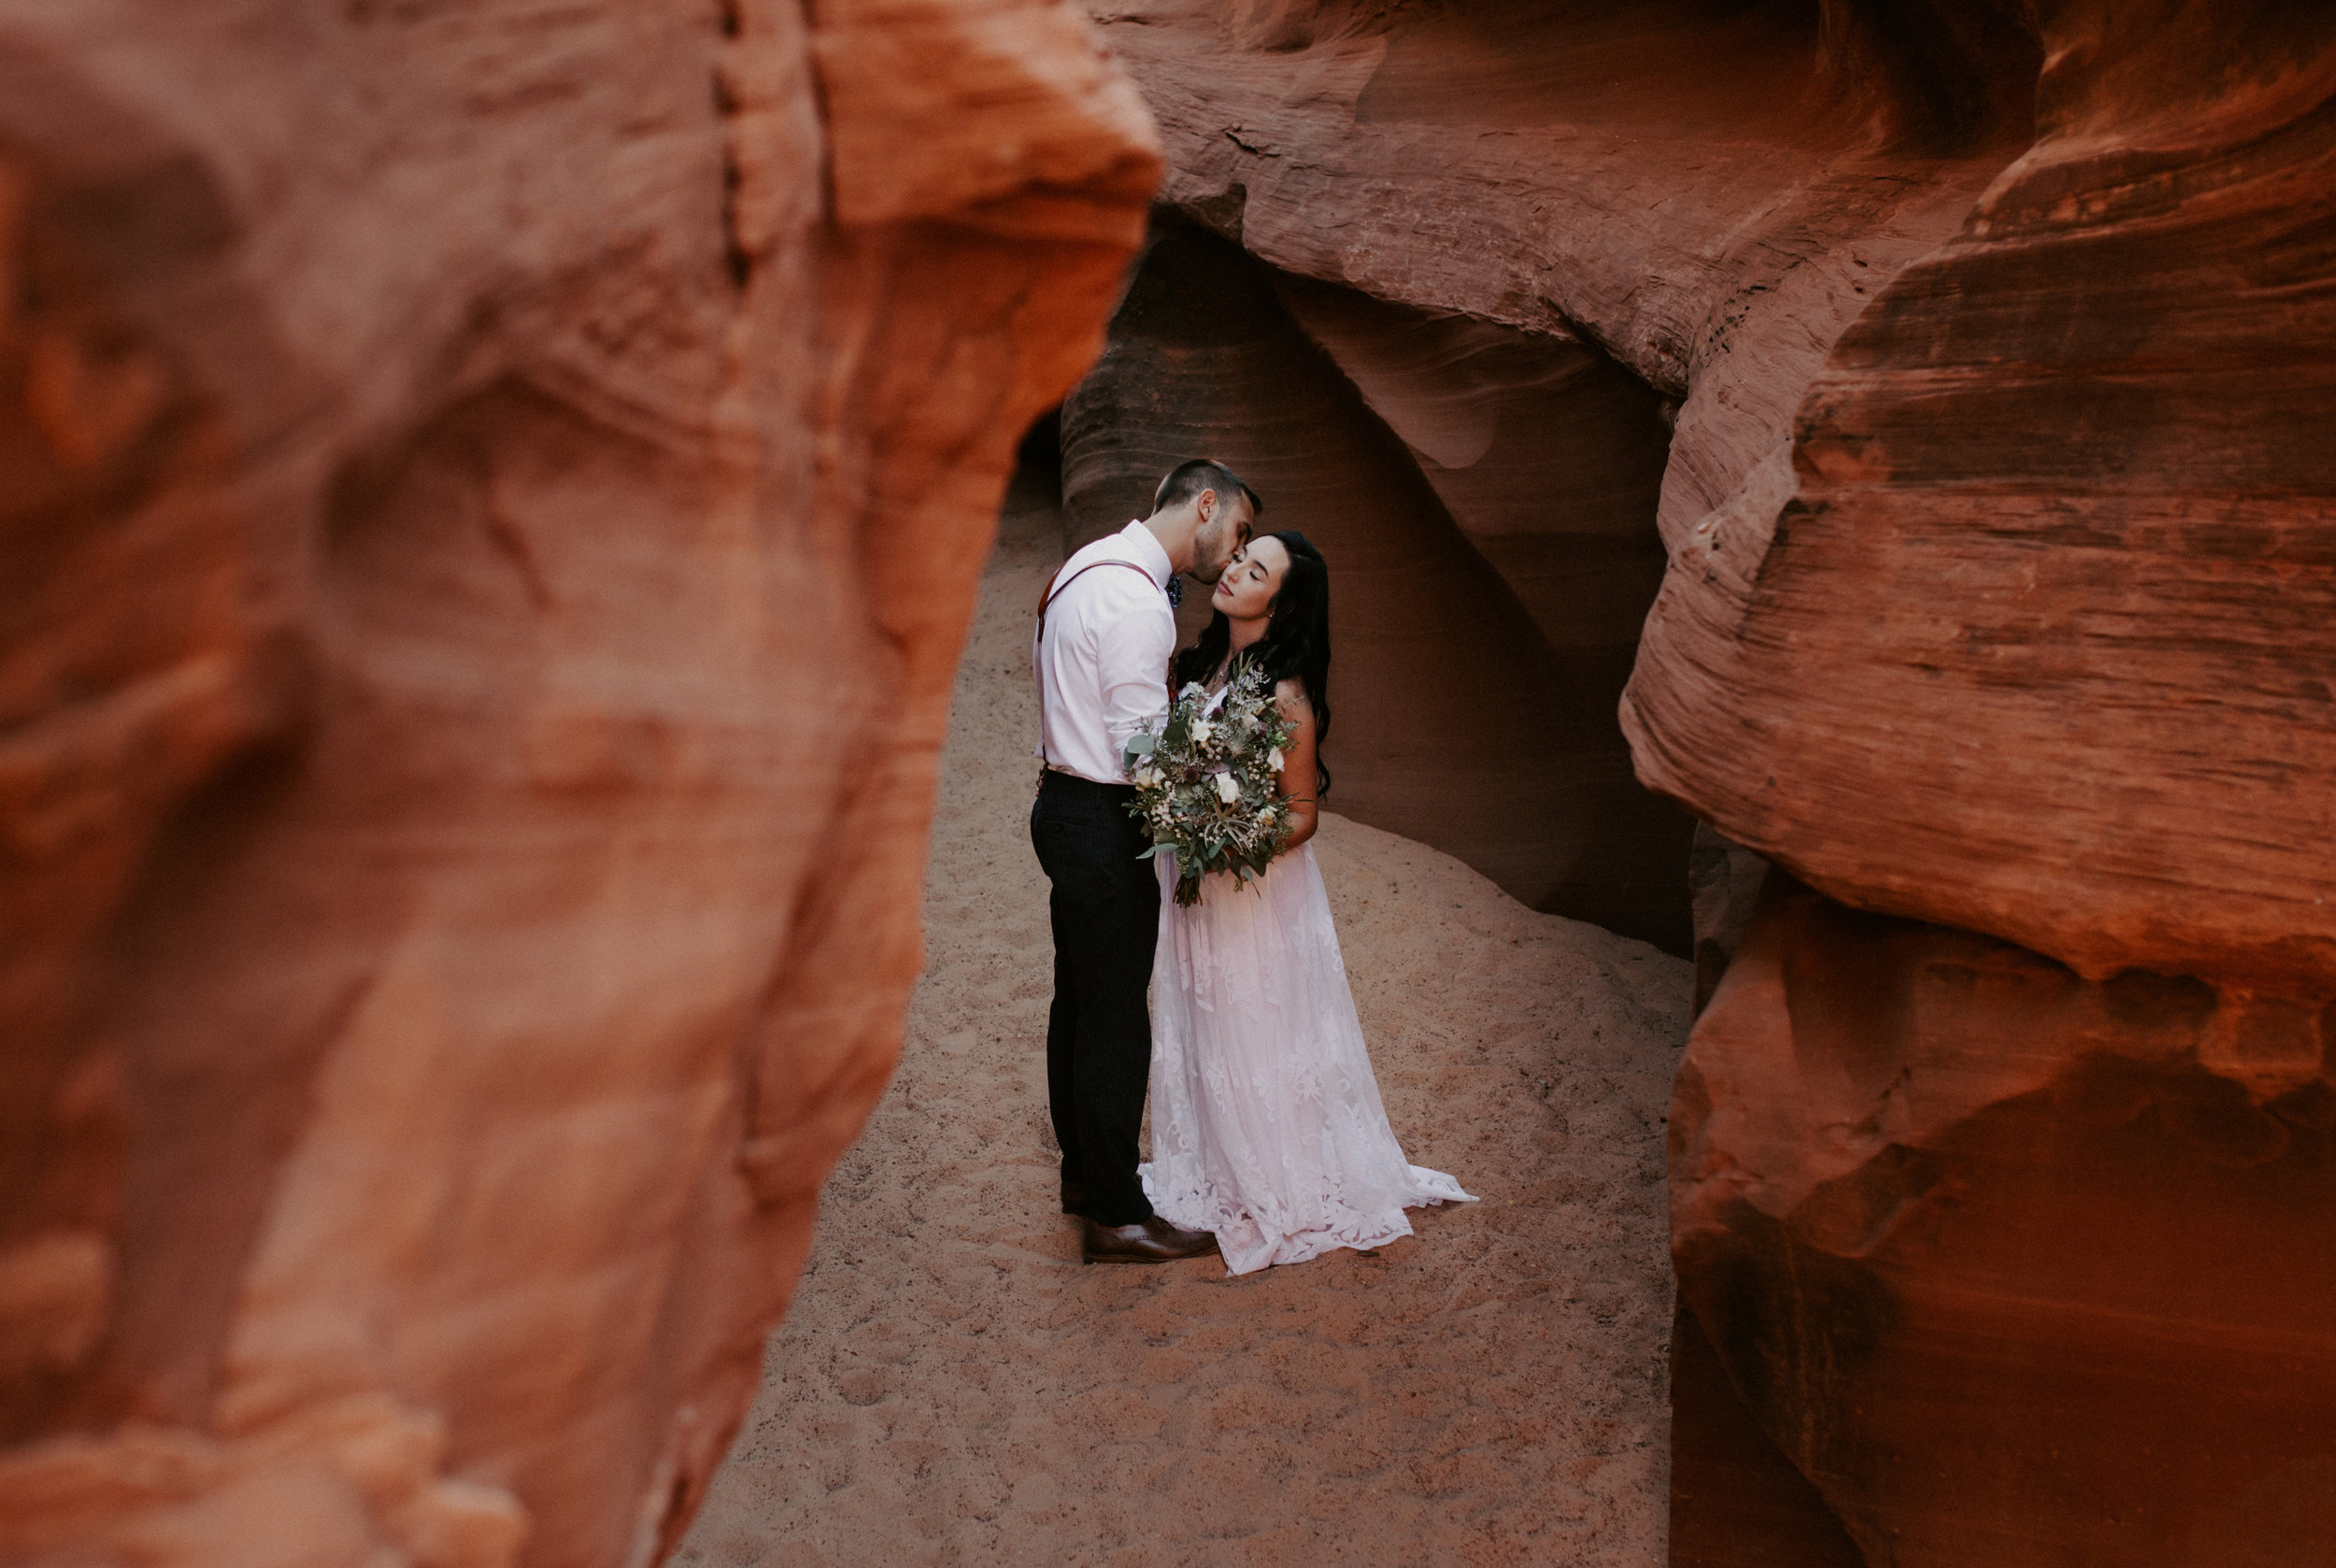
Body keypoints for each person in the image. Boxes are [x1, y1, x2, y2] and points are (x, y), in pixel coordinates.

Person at [1141, 531, 1474, 1274]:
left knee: (1255, 1021)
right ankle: (1216, 1159)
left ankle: (1273, 1173)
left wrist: (1225, 841)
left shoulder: (1285, 693)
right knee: (1205, 1018)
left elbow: (1300, 815)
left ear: (1280, 603)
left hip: (1251, 887)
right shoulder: (1204, 666)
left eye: (1256, 571)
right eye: (1238, 559)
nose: (1233, 573)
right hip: (1195, 882)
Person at [1032, 459, 1259, 1264]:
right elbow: (1142, 752)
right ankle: (1118, 1214)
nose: (1232, 555)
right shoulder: (1134, 598)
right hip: (1100, 817)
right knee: (1116, 1020)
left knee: (1081, 1004)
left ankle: (1084, 1180)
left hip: (1061, 803)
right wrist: (1215, 809)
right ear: (1204, 505)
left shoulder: (1086, 566)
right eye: (1235, 533)